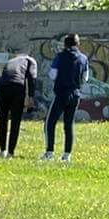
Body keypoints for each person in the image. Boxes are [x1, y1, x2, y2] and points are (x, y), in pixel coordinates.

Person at [42, 32, 85, 161]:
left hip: (61, 93)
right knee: (69, 124)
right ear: (78, 44)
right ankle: (67, 155)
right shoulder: (83, 58)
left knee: (50, 122)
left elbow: (52, 75)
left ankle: (49, 153)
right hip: (75, 94)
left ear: (65, 44)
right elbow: (85, 77)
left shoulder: (60, 57)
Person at [0, 47, 37, 156]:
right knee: (15, 120)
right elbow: (32, 78)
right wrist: (31, 97)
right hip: (17, 87)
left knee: (3, 119)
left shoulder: (11, 61)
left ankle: (2, 150)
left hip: (2, 87)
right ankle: (10, 152)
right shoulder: (30, 60)